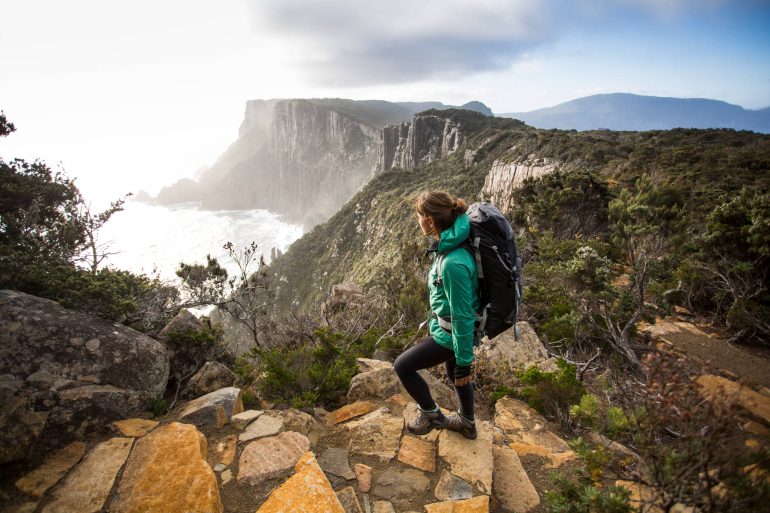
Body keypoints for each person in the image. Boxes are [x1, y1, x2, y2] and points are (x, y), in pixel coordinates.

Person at [394, 191, 480, 439]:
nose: (417, 221)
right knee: (455, 374)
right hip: (449, 330)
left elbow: (463, 316)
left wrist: (465, 361)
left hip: (453, 334)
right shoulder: (452, 241)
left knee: (403, 366)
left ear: (430, 221)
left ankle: (431, 414)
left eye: (419, 216)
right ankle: (467, 422)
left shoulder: (453, 262)